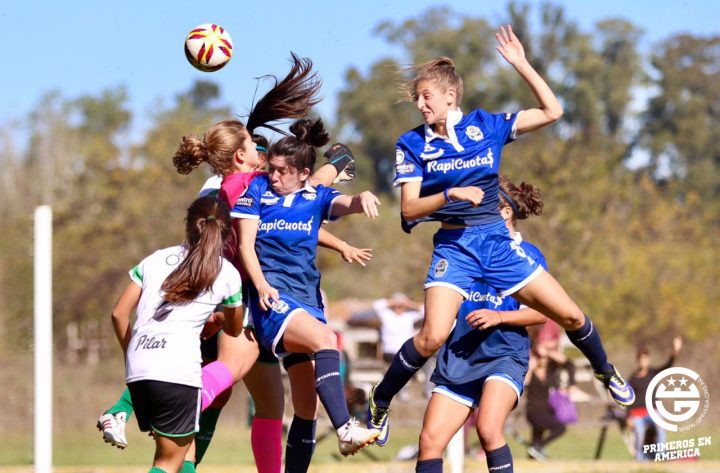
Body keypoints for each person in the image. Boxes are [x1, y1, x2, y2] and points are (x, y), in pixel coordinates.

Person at [368, 25, 634, 451]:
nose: (420, 104)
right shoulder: (412, 143)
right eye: (417, 98)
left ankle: (605, 370)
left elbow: (553, 111)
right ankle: (380, 401)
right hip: (454, 248)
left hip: (495, 243)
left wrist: (521, 64)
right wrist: (451, 194)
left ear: (450, 96)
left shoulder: (486, 126)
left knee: (570, 316)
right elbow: (409, 209)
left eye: (426, 97)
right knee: (432, 336)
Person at [236, 117, 381, 465]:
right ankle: (346, 428)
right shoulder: (258, 190)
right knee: (326, 340)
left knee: (306, 408)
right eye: (272, 168)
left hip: (307, 302)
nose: (273, 176)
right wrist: (261, 284)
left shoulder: (316, 196)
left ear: (303, 173)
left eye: (282, 171)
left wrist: (361, 198)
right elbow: (244, 245)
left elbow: (346, 203)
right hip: (273, 300)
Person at [415, 175, 549, 473]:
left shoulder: (527, 255)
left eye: (484, 207)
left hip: (503, 355)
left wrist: (499, 317)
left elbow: (542, 312)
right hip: (461, 355)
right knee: (429, 441)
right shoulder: (462, 249)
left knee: (488, 429)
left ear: (505, 213)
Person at [110, 195, 244, 473]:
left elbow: (119, 314)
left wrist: (131, 355)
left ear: (188, 225)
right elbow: (234, 330)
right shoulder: (226, 272)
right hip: (177, 371)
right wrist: (219, 318)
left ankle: (118, 410)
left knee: (184, 456)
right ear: (226, 233)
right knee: (169, 463)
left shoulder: (155, 259)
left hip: (139, 367)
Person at [626, 336, 682, 460]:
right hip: (637, 414)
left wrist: (674, 351)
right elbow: (627, 399)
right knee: (639, 433)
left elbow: (668, 365)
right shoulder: (633, 378)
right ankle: (640, 459)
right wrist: (628, 417)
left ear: (648, 360)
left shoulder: (652, 374)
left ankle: (660, 455)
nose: (643, 361)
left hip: (652, 412)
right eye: (641, 359)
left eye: (645, 358)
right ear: (638, 360)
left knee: (661, 426)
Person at [524, 342, 576, 461]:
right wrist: (530, 367)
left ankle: (533, 455)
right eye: (538, 356)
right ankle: (537, 448)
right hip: (533, 411)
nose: (540, 359)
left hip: (547, 410)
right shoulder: (530, 371)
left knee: (537, 434)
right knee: (560, 428)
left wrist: (548, 352)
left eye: (542, 357)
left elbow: (569, 364)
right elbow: (524, 384)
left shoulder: (551, 370)